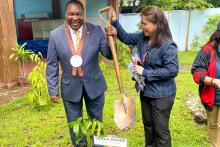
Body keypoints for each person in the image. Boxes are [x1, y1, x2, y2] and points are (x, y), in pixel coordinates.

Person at [106, 6, 179, 147]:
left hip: (162, 95)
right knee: (148, 127)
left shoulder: (168, 45)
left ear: (157, 24)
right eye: (142, 22)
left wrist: (145, 72)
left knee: (160, 131)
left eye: (145, 23)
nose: (142, 25)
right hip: (146, 91)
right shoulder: (142, 38)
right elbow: (126, 37)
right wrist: (115, 21)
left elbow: (172, 70)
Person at [46, 0, 113, 146]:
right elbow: (51, 65)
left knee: (96, 121)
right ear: (66, 14)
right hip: (70, 87)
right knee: (75, 123)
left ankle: (98, 144)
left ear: (84, 15)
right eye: (71, 14)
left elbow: (109, 54)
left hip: (94, 86)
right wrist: (52, 89)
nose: (75, 18)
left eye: (78, 14)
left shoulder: (96, 31)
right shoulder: (55, 35)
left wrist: (111, 38)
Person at [191, 21, 220, 147]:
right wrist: (213, 81)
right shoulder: (208, 50)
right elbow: (197, 73)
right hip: (212, 97)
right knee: (213, 124)